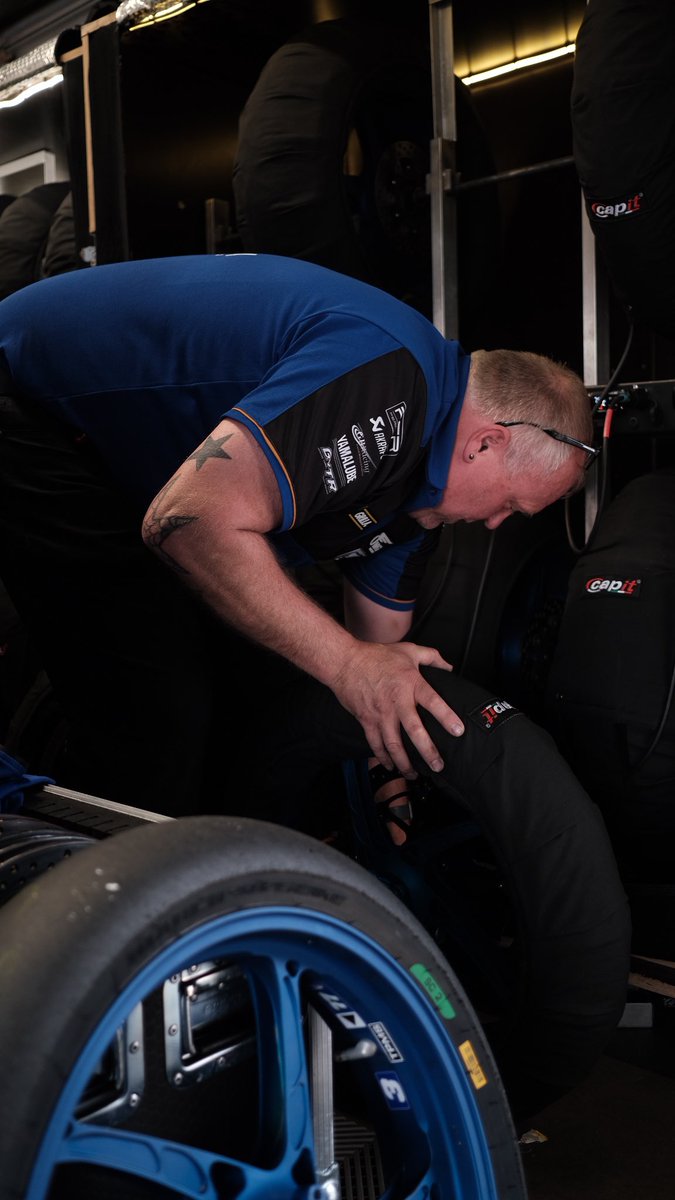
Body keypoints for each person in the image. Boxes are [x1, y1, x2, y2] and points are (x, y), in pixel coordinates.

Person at [0, 252, 629, 1122]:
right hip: (28, 409)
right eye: (509, 506)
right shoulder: (390, 384)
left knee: (263, 675)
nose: (494, 526)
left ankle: (208, 936)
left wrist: (392, 771)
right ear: (484, 441)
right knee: (159, 711)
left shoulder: (416, 493)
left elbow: (374, 653)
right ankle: (91, 1014)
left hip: (131, 460)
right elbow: (186, 520)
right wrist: (349, 668)